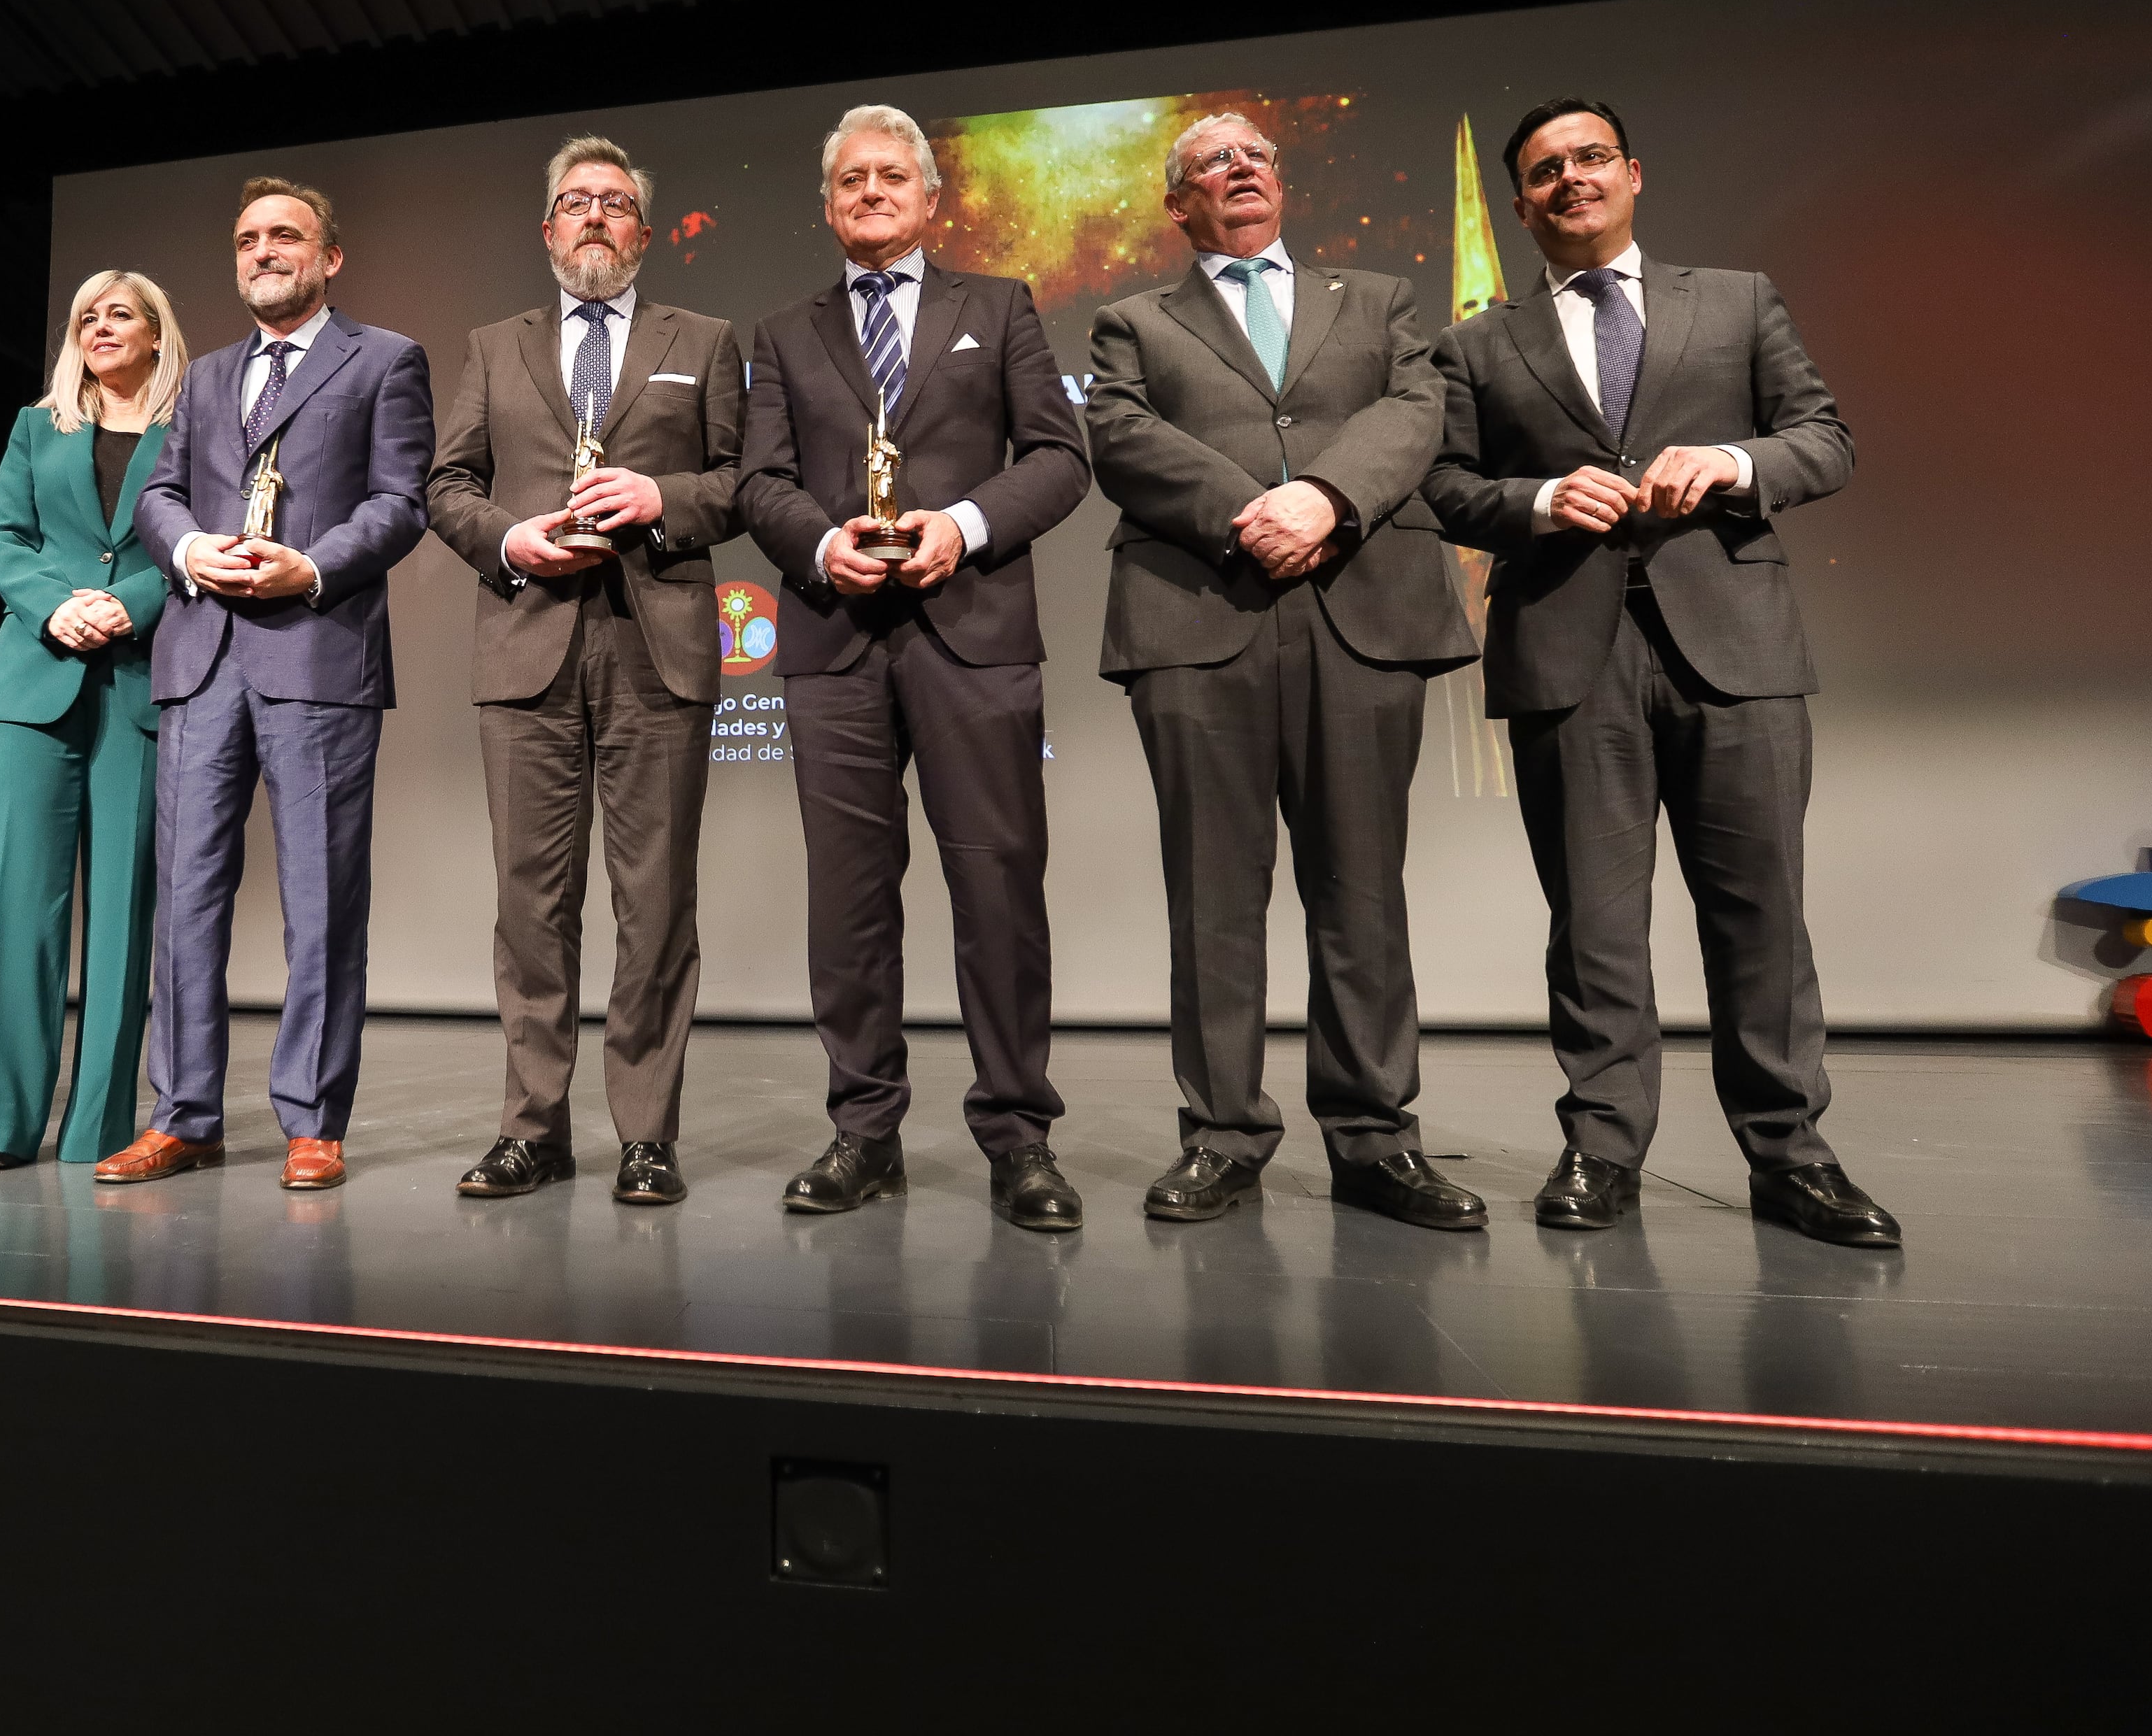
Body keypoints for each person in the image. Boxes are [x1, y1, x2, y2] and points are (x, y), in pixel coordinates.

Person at [1424, 99, 1896, 1247]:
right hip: (1565, 653)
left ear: (1632, 173)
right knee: (1592, 921)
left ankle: (1792, 1156)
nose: (1570, 180)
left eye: (1590, 158)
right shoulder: (1478, 343)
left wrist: (1734, 460)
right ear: (1524, 202)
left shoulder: (1736, 299)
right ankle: (1602, 1149)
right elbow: (1441, 485)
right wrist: (1537, 499)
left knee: (1761, 915)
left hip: (1733, 649)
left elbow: (1823, 437)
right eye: (1544, 171)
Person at [1083, 112, 1485, 1230]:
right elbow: (1116, 435)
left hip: (1363, 607)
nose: (1240, 169)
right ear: (1179, 203)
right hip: (1199, 614)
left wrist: (1329, 498)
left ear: (1280, 184)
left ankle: (1373, 1138)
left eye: (1256, 156)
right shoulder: (1133, 322)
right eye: (1213, 162)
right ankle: (1220, 1135)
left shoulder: (1381, 299)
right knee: (1213, 896)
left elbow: (1418, 410)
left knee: (1362, 889)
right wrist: (1248, 513)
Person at [737, 105, 1092, 1231]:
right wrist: (820, 544)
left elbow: (1057, 456)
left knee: (998, 891)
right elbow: (760, 481)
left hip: (974, 630)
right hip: (834, 639)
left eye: (895, 176)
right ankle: (864, 1129)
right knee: (848, 902)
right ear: (828, 206)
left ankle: (1019, 1137)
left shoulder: (999, 306)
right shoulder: (784, 334)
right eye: (852, 179)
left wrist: (966, 528)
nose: (874, 192)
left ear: (933, 200)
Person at [425, 136, 745, 1207]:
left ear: (643, 234)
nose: (596, 218)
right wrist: (511, 541)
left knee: (655, 904)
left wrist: (665, 501)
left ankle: (647, 1135)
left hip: (657, 638)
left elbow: (745, 479)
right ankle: (535, 1130)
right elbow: (449, 483)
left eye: (615, 204)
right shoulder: (491, 344)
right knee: (531, 904)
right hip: (528, 642)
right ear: (549, 229)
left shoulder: (701, 340)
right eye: (576, 203)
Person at [97, 176, 432, 1194]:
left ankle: (313, 1121)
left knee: (321, 900)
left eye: (285, 235)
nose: (263, 251)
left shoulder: (384, 359)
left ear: (331, 256)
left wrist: (313, 566)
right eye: (248, 239)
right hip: (201, 657)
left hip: (317, 650)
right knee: (187, 896)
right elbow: (157, 493)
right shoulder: (200, 376)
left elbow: (402, 500)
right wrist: (193, 548)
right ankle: (185, 1115)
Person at [0, 271, 186, 1169]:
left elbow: (195, 540)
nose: (100, 326)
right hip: (32, 679)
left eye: (120, 313)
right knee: (15, 908)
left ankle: (95, 1128)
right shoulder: (35, 423)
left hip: (137, 680)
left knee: (125, 919)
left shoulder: (190, 431)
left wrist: (126, 604)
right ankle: (1, 1126)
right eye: (86, 315)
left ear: (156, 333)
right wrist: (57, 607)